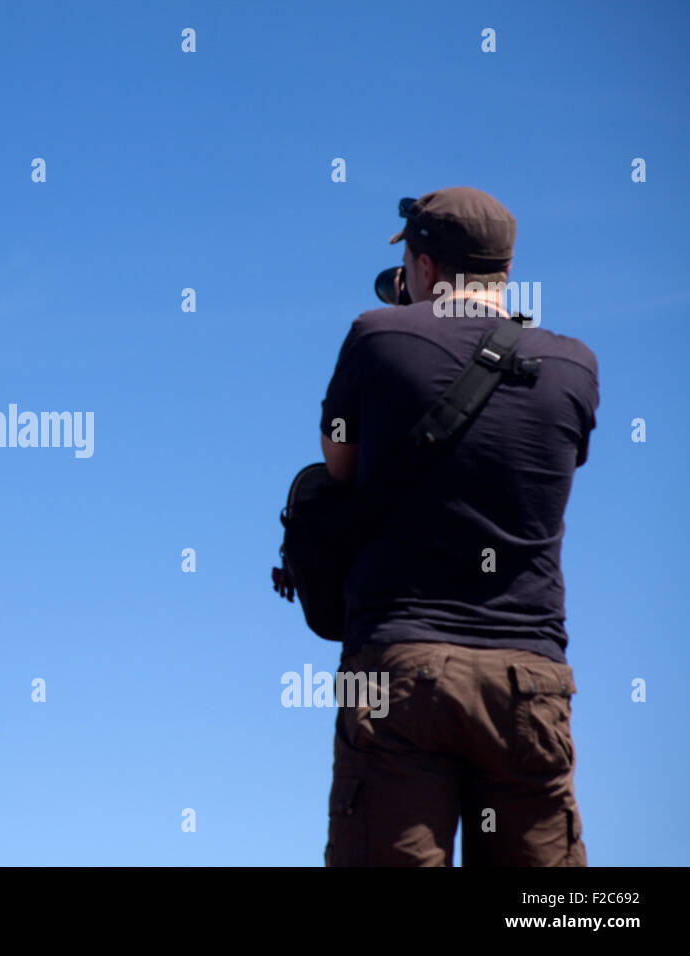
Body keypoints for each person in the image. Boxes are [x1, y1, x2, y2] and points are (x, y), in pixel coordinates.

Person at [319, 187, 599, 866]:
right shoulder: (573, 367)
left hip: (400, 663)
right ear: (504, 269)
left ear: (422, 265)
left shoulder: (376, 335)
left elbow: (337, 463)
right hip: (529, 678)